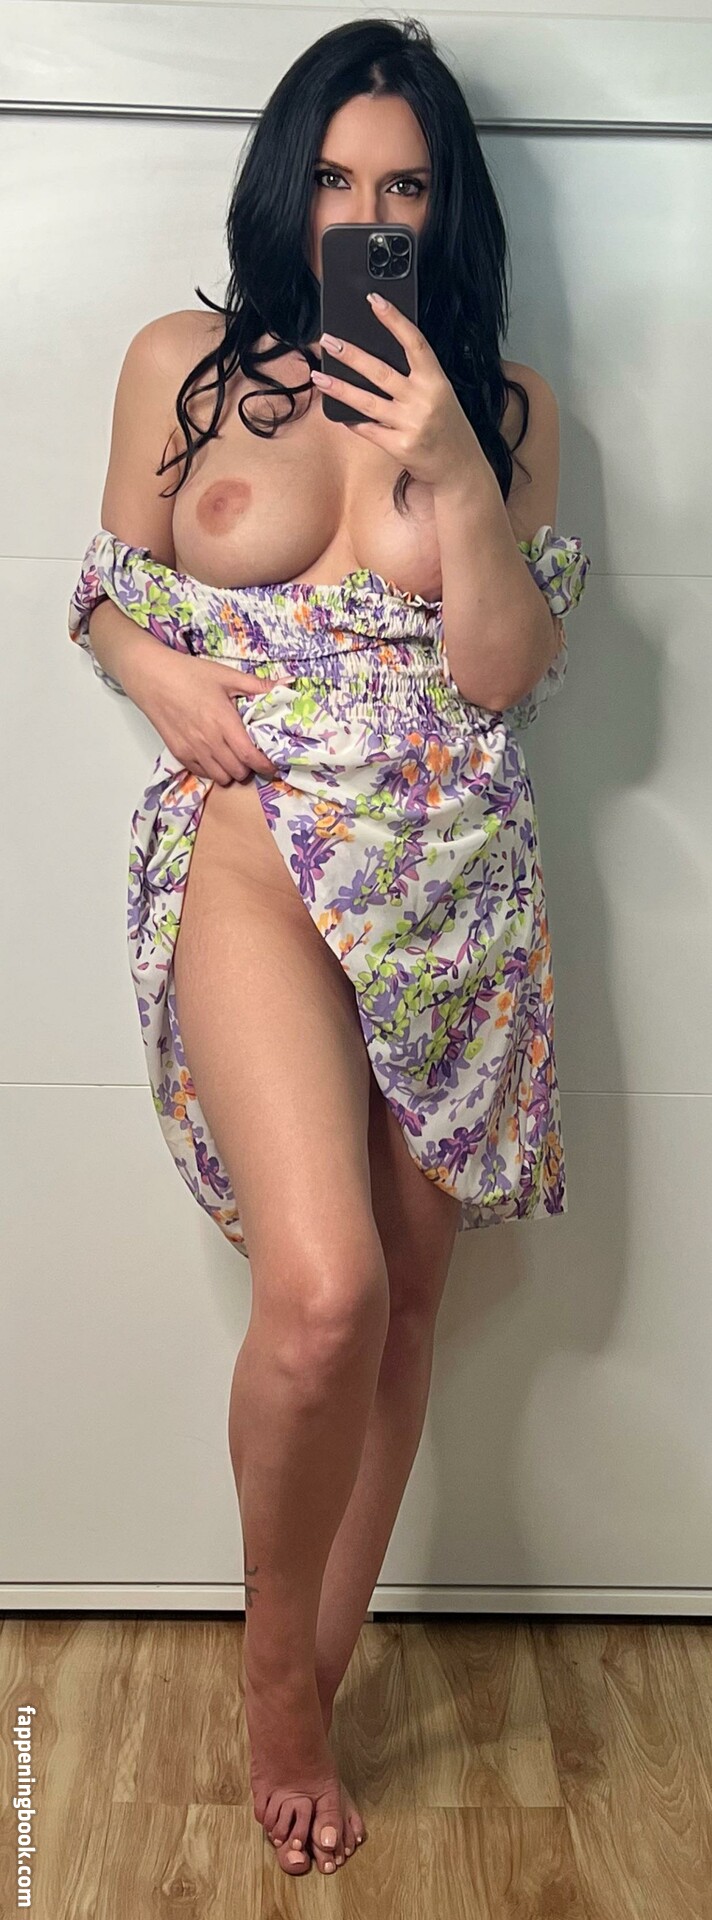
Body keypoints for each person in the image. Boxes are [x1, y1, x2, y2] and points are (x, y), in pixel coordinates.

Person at [67, 15, 590, 1879]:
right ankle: (270, 1676)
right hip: (256, 848)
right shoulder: (181, 365)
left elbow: (504, 671)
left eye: (407, 186)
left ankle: (322, 1668)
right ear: (288, 186)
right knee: (325, 1295)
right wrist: (159, 677)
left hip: (451, 877)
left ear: (445, 210)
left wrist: (450, 457)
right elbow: (106, 593)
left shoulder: (503, 404)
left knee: (410, 1309)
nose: (368, 211)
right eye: (339, 177)